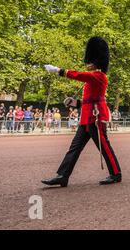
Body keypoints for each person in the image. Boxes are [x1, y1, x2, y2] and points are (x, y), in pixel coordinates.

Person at [42, 37, 121, 187]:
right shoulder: (92, 78)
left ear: (97, 62)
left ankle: (116, 173)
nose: (88, 64)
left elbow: (78, 75)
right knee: (74, 147)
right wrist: (75, 103)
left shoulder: (99, 76)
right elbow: (88, 101)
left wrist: (59, 70)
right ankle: (62, 176)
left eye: (90, 61)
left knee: (104, 146)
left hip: (96, 117)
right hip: (86, 117)